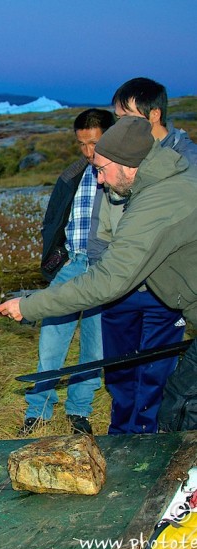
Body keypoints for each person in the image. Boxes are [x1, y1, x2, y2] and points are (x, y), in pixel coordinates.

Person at [0, 116, 197, 434]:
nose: (99, 180)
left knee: (180, 411)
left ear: (127, 164)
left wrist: (29, 305)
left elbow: (108, 280)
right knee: (178, 405)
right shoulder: (166, 179)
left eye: (102, 169)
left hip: (141, 292)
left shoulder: (156, 202)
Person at [85, 78, 197, 433]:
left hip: (164, 292)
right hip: (117, 285)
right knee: (119, 369)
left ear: (154, 115)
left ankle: (149, 442)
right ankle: (120, 437)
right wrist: (101, 265)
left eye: (127, 117)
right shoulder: (117, 157)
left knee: (155, 371)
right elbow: (100, 219)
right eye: (117, 118)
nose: (120, 126)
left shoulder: (186, 162)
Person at [19, 109, 115, 437]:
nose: (89, 152)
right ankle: (39, 411)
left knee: (95, 348)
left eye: (95, 143)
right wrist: (56, 260)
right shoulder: (72, 175)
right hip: (71, 266)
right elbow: (54, 219)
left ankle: (79, 411)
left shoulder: (122, 175)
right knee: (51, 342)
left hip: (105, 272)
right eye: (82, 144)